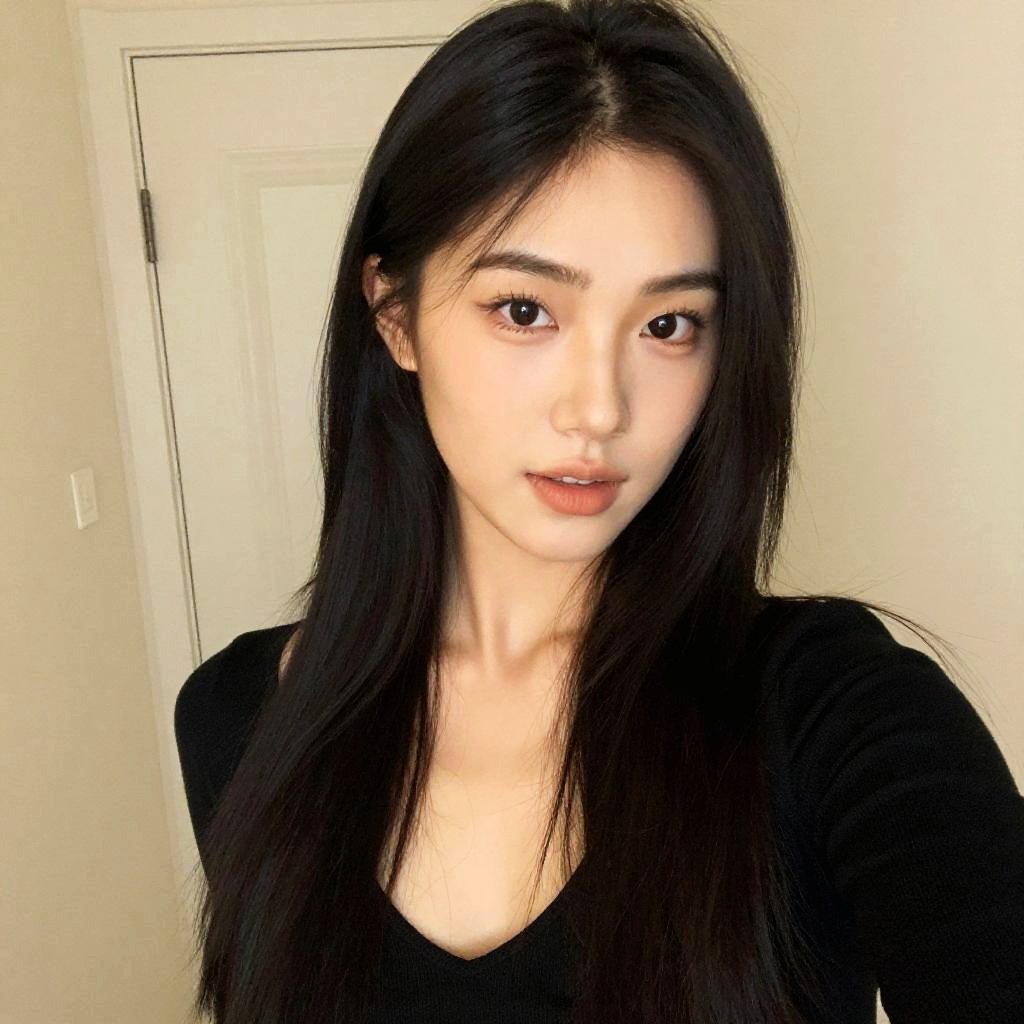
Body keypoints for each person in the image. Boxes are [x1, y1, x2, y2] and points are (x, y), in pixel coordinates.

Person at [173, 1, 1024, 1022]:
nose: (600, 410)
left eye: (669, 325)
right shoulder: (237, 721)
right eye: (525, 309)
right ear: (395, 314)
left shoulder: (832, 710)